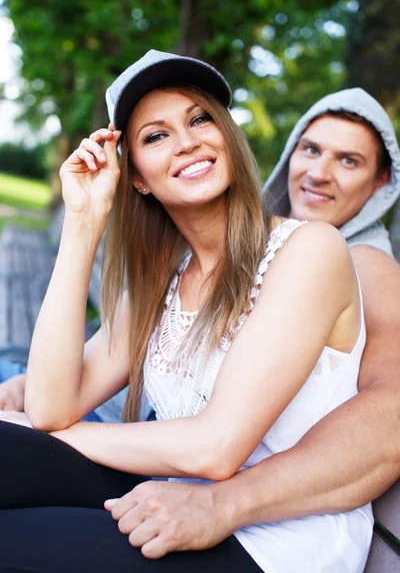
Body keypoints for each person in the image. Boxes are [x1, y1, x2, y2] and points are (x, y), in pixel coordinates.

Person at [0, 50, 370, 573]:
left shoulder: (309, 250)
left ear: (226, 136)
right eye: (156, 136)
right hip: (174, 498)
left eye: (199, 119)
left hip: (278, 537)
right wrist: (84, 220)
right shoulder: (162, 278)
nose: (187, 141)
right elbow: (51, 404)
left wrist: (61, 434)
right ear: (138, 179)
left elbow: (216, 448)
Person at [101, 88, 400, 561]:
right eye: (311, 149)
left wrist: (224, 503)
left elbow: (392, 414)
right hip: (160, 455)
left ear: (381, 182)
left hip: (259, 519)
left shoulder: (367, 263)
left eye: (348, 161)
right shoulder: (246, 246)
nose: (319, 173)